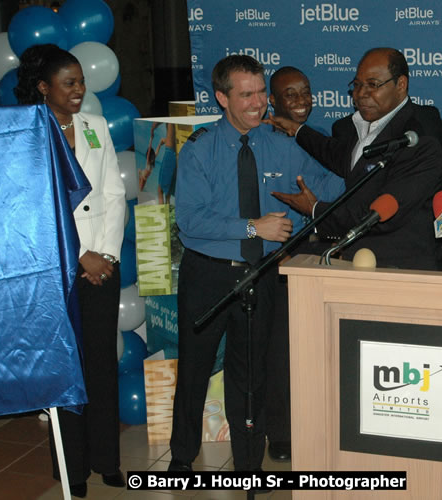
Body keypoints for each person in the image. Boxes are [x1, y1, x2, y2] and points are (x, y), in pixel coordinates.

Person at [169, 54, 341, 474]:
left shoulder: (282, 145)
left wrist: (310, 149)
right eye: (246, 95)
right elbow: (189, 220)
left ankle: (249, 464)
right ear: (222, 98)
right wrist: (253, 228)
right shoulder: (200, 149)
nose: (258, 103)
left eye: (262, 93)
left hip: (259, 277)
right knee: (194, 369)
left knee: (251, 377)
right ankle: (181, 457)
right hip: (207, 274)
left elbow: (336, 185)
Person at [15, 44, 126, 498]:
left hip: (103, 265)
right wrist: (81, 255)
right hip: (59, 268)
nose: (80, 90)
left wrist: (108, 257)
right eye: (70, 83)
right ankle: (72, 466)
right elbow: (35, 206)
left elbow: (114, 196)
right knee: (67, 369)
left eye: (82, 81)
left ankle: (107, 460)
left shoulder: (96, 126)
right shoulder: (28, 134)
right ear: (44, 88)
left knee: (102, 365)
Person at [267, 47, 442, 270]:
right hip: (359, 263)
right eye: (357, 85)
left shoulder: (419, 132)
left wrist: (316, 210)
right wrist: (298, 130)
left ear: (401, 85)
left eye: (373, 84)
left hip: (402, 268)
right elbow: (341, 157)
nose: (361, 93)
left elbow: (380, 213)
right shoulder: (366, 126)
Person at [263, 66, 345, 463]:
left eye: (306, 92)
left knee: (323, 348)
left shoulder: (324, 140)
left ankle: (323, 425)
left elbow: (337, 195)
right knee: (282, 351)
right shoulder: (261, 141)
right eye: (289, 94)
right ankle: (281, 433)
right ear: (272, 100)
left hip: (323, 255)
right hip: (283, 256)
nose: (300, 101)